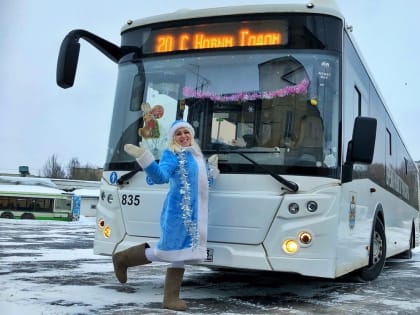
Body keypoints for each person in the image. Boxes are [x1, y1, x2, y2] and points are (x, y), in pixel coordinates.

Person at [112, 120, 219, 311]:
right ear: (173, 138)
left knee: (180, 254)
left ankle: (170, 298)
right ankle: (123, 259)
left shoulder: (196, 155)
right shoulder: (172, 154)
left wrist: (212, 170)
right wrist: (144, 157)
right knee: (167, 251)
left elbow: (204, 183)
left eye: (186, 132)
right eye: (178, 133)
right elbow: (160, 176)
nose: (184, 136)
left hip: (194, 216)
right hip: (177, 214)